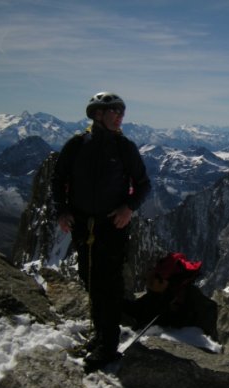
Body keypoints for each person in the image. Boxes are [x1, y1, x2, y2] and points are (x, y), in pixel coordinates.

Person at [52, 91, 151, 371]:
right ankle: (100, 336)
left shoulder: (124, 148)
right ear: (98, 114)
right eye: (115, 111)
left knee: (108, 285)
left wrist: (128, 208)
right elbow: (58, 180)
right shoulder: (76, 145)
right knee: (90, 279)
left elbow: (143, 185)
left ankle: (107, 346)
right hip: (82, 226)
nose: (120, 116)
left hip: (112, 226)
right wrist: (62, 210)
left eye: (122, 111)